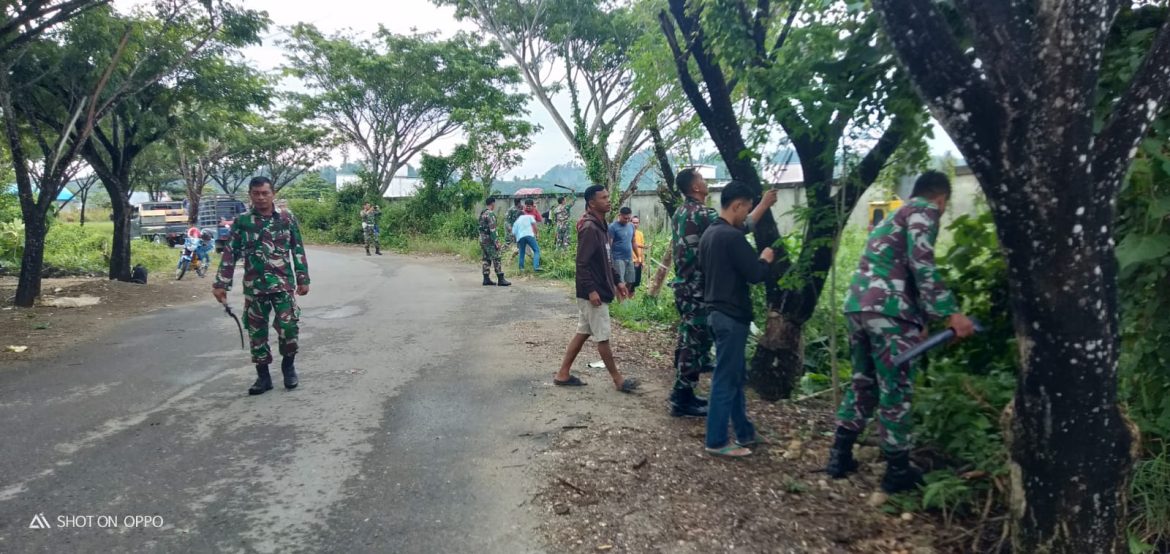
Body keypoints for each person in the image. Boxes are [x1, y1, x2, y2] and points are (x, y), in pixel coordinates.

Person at [825, 170, 976, 493]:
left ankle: (839, 455)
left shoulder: (894, 217)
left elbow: (900, 266)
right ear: (941, 199)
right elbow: (921, 263)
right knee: (895, 386)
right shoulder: (924, 211)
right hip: (889, 310)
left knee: (864, 381)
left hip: (858, 306)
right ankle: (897, 470)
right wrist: (950, 313)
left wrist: (920, 322)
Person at [669, 168, 777, 418]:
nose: (705, 182)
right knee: (694, 342)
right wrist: (764, 204)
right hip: (698, 288)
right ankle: (682, 398)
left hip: (684, 285)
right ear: (695, 187)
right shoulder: (703, 214)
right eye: (702, 179)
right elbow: (740, 226)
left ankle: (682, 392)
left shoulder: (680, 212)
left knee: (689, 338)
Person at [698, 181, 782, 457]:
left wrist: (763, 204)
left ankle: (744, 432)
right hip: (731, 316)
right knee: (725, 378)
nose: (747, 214)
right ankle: (716, 440)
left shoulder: (710, 234)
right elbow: (755, 274)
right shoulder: (732, 238)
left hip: (715, 313)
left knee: (734, 376)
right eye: (746, 208)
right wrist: (765, 258)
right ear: (737, 205)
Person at [213, 176, 311, 396]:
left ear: (272, 194)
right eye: (256, 193)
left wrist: (303, 278)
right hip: (255, 287)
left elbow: (297, 248)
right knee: (257, 333)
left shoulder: (286, 218)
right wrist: (221, 283)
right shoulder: (242, 222)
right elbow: (230, 253)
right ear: (250, 195)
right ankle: (263, 376)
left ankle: (288, 367)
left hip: (283, 284)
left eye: (265, 193)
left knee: (288, 328)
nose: (261, 197)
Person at [553, 185, 640, 394]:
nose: (608, 200)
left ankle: (562, 374)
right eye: (603, 198)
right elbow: (582, 263)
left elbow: (606, 259)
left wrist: (618, 281)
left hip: (597, 289)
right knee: (603, 337)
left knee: (582, 333)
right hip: (593, 293)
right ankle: (618, 380)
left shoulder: (601, 225)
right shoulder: (590, 228)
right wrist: (592, 291)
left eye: (608, 196)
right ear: (592, 203)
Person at [479, 197, 511, 287]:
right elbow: (492, 229)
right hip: (489, 239)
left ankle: (486, 278)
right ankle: (500, 278)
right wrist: (496, 242)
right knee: (497, 257)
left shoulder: (483, 213)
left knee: (486, 258)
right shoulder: (490, 214)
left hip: (482, 238)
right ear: (493, 203)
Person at [608, 206, 636, 297]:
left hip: (629, 257)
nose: (627, 220)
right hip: (617, 258)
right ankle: (620, 301)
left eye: (629, 218)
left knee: (631, 280)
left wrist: (638, 256)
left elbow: (633, 241)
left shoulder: (631, 226)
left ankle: (625, 298)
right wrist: (609, 259)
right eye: (625, 218)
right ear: (619, 215)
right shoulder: (612, 227)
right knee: (620, 282)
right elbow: (609, 244)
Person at [513, 206, 541, 272]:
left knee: (522, 252)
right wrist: (537, 234)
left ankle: (521, 268)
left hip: (521, 237)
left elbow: (514, 233)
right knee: (536, 250)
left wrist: (517, 242)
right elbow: (534, 225)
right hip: (529, 235)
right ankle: (536, 267)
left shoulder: (516, 222)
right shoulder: (529, 217)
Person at [630, 215, 645, 295]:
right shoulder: (628, 232)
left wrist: (642, 261)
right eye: (633, 222)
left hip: (638, 260)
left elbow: (642, 249)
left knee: (636, 281)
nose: (635, 224)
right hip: (630, 260)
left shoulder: (640, 234)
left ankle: (631, 298)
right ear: (630, 223)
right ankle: (625, 298)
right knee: (630, 281)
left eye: (637, 223)